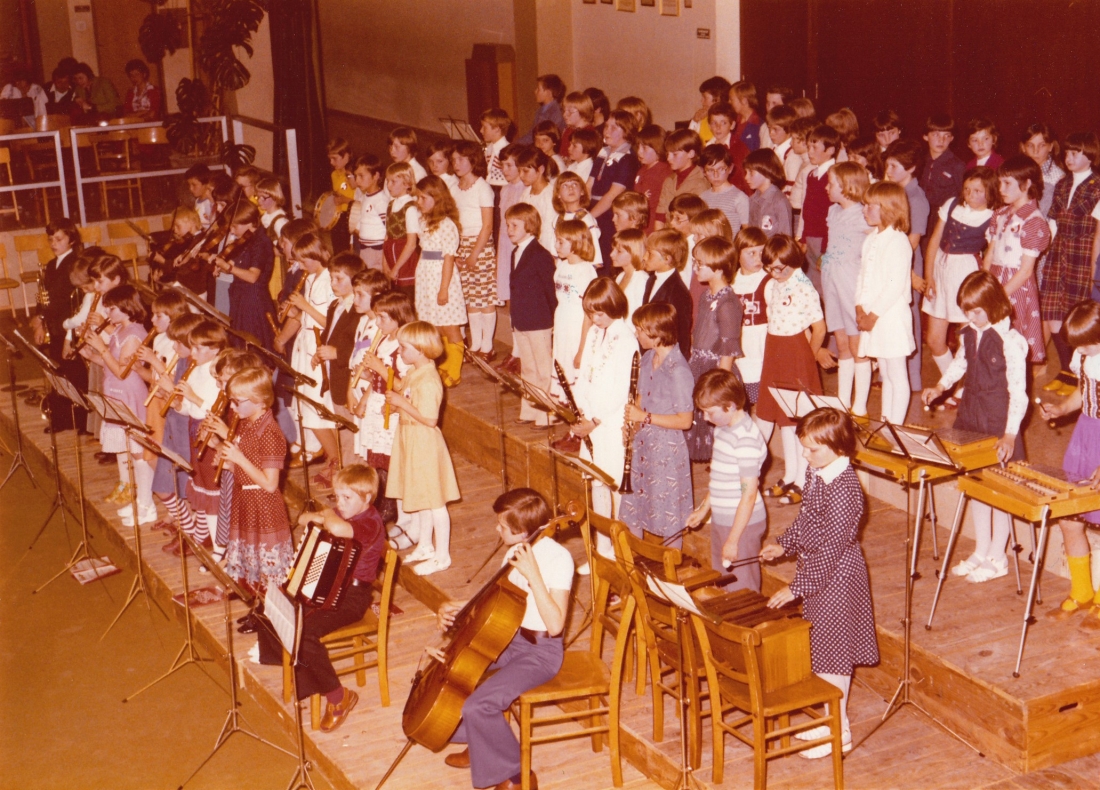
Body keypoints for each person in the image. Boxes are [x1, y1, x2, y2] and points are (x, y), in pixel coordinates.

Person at [762, 408, 879, 759]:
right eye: (803, 447)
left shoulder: (846, 490)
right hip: (819, 573)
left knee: (834, 656)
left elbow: (831, 547)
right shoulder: (819, 471)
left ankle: (838, 731)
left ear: (839, 446)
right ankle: (828, 717)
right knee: (822, 651)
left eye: (813, 449)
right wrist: (785, 543)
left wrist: (796, 587)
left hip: (838, 578)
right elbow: (808, 519)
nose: (805, 456)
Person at [439, 488, 574, 790]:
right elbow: (499, 602)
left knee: (479, 705)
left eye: (501, 525)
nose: (496, 529)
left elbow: (554, 625)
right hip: (509, 638)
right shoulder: (515, 550)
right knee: (452, 679)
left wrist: (535, 576)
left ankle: (517, 775)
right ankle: (482, 745)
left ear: (522, 531)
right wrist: (459, 608)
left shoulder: (558, 559)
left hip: (540, 652)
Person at [922, 272, 1028, 584]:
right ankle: (982, 549)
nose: (971, 318)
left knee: (1000, 488)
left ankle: (998, 556)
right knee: (976, 485)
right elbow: (960, 364)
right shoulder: (970, 333)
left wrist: (1010, 433)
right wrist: (940, 385)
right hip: (971, 416)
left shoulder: (1011, 342)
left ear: (994, 305)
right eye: (967, 312)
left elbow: (1018, 392)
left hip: (998, 422)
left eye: (976, 312)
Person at [264, 464, 386, 733]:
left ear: (366, 499)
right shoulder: (347, 514)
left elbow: (339, 529)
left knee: (303, 632)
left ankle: (339, 697)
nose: (340, 504)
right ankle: (299, 668)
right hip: (330, 587)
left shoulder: (370, 522)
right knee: (277, 603)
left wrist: (326, 514)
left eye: (347, 498)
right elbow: (305, 519)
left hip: (352, 598)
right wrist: (320, 515)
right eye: (337, 497)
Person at [756, 236, 833, 506]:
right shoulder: (772, 284)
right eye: (770, 268)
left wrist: (806, 361)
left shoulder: (804, 287)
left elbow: (820, 330)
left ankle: (802, 479)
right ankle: (789, 474)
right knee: (783, 418)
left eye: (781, 269)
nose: (775, 274)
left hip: (796, 353)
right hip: (774, 350)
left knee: (798, 420)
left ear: (793, 262)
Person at [566, 278, 639, 557]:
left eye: (599, 313)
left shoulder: (626, 339)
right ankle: (602, 548)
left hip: (610, 422)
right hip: (591, 418)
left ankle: (621, 549)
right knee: (596, 481)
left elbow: (621, 388)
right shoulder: (597, 333)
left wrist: (595, 420)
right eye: (590, 313)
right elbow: (584, 373)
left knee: (614, 484)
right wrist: (581, 408)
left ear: (614, 307)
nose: (594, 319)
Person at [1037, 301, 1100, 615]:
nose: (1082, 352)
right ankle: (1083, 590)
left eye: (1087, 346)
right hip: (1085, 436)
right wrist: (1061, 408)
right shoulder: (1085, 356)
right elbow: (1083, 393)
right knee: (1070, 517)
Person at [215, 366, 295, 615]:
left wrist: (238, 459)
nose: (232, 407)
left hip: (263, 504)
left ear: (260, 401)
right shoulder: (247, 423)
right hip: (246, 500)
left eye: (238, 402)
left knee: (267, 569)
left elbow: (270, 484)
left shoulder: (270, 433)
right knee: (253, 564)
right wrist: (228, 461)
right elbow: (247, 463)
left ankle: (274, 617)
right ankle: (258, 611)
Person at [385, 322, 460, 576]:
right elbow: (408, 399)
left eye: (404, 347)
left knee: (435, 502)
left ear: (419, 350)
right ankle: (426, 545)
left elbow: (430, 419)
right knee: (423, 499)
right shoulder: (415, 371)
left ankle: (443, 556)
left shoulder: (428, 379)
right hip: (410, 437)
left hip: (424, 441)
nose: (399, 351)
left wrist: (401, 404)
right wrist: (398, 401)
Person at [618, 303, 695, 548]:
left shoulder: (679, 371)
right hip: (644, 445)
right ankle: (634, 567)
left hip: (666, 452)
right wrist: (632, 427)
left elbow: (685, 420)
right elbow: (640, 397)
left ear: (657, 333)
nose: (637, 334)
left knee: (669, 517)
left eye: (640, 329)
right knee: (634, 508)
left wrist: (645, 417)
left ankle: (670, 579)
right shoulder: (648, 357)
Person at [81, 284, 156, 528]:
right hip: (114, 394)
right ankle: (139, 500)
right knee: (131, 452)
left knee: (138, 452)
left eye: (111, 309)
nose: (108, 313)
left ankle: (147, 505)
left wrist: (101, 349)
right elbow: (108, 362)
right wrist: (90, 354)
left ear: (126, 308)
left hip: (129, 395)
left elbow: (123, 371)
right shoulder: (120, 330)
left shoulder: (134, 333)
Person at [686, 369, 768, 592]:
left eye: (709, 412)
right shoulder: (723, 428)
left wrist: (733, 540)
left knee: (741, 589)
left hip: (742, 525)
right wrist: (704, 510)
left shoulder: (746, 440)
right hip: (724, 519)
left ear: (729, 406)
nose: (705, 418)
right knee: (722, 582)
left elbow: (748, 494)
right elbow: (720, 478)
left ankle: (749, 626)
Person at [922, 167, 998, 395]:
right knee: (935, 340)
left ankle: (967, 389)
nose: (970, 195)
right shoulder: (952, 204)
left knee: (969, 338)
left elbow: (991, 255)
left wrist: (980, 285)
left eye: (977, 191)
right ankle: (955, 383)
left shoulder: (992, 217)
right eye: (967, 189)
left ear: (989, 192)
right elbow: (935, 240)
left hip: (965, 272)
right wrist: (929, 276)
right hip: (941, 269)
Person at [349, 289, 415, 532]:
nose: (377, 322)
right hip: (377, 403)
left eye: (383, 318)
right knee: (377, 462)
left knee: (392, 464)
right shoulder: (383, 340)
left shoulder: (405, 345)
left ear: (399, 317)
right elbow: (379, 376)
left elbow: (404, 386)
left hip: (394, 408)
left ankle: (398, 515)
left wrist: (380, 368)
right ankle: (389, 512)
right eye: (377, 317)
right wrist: (366, 386)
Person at [1040, 132, 1100, 381]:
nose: (1069, 157)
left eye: (1075, 153)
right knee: (1053, 315)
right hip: (1059, 252)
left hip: (1083, 253)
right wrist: (1048, 247)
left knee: (1078, 314)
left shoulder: (1097, 185)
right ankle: (1068, 368)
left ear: (1090, 156)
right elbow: (1053, 220)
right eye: (1066, 153)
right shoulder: (1062, 184)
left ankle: (1080, 372)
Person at [856, 181, 916, 425]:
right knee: (885, 372)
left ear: (889, 208)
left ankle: (897, 426)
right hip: (872, 315)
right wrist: (859, 307)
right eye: (865, 205)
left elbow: (894, 285)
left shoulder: (898, 241)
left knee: (896, 373)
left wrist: (873, 315)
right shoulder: (871, 239)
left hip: (889, 316)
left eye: (871, 206)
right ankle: (886, 421)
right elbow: (862, 277)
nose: (865, 210)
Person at [984, 155, 1051, 365]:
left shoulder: (1033, 221)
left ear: (1027, 183)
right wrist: (984, 283)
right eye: (1000, 182)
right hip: (995, 279)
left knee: (1013, 345)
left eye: (1007, 183)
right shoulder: (1000, 214)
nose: (1001, 188)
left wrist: (1000, 297)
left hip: (1016, 288)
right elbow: (991, 251)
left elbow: (1025, 271)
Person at [821, 162, 873, 414]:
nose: (827, 187)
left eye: (831, 184)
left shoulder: (863, 214)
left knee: (857, 346)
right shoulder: (833, 211)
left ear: (847, 187)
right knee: (842, 344)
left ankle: (860, 406)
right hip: (831, 282)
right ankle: (842, 402)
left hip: (851, 283)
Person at [685, 236, 742, 462]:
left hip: (715, 372)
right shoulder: (706, 296)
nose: (695, 268)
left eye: (700, 264)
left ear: (718, 269)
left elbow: (727, 351)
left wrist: (720, 387)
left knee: (720, 436)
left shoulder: (728, 303)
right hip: (699, 367)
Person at [286, 232, 340, 470]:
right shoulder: (310, 278)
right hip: (304, 345)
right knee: (307, 408)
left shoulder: (330, 280)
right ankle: (332, 460)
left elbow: (330, 321)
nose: (300, 265)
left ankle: (337, 461)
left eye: (304, 260)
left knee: (317, 411)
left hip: (318, 349)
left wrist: (304, 306)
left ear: (317, 255)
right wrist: (296, 313)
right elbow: (309, 315)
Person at [312, 253, 367, 483]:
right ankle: (347, 483)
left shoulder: (359, 310)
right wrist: (320, 353)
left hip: (349, 382)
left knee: (352, 439)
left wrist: (337, 353)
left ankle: (355, 486)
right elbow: (329, 335)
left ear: (354, 282)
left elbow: (361, 347)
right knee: (343, 433)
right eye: (332, 279)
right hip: (335, 380)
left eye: (339, 279)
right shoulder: (336, 305)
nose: (333, 284)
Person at [30, 217, 88, 434]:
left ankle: (82, 422)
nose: (54, 243)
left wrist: (43, 318)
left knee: (75, 375)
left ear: (71, 240)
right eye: (51, 239)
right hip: (54, 326)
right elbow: (43, 296)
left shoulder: (75, 263)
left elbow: (62, 299)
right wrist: (39, 319)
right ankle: (62, 419)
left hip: (69, 326)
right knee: (57, 373)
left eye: (59, 239)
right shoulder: (51, 265)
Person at [883, 138, 932, 390]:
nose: (888, 171)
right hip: (890, 260)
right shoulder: (894, 192)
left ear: (911, 168)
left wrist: (907, 271)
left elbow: (912, 241)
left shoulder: (917, 198)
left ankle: (911, 380)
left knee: (908, 318)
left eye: (893, 166)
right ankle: (888, 374)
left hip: (907, 263)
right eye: (887, 165)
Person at [505, 203, 557, 427]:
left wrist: (552, 320)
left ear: (530, 226)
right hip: (522, 320)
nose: (509, 229)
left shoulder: (540, 254)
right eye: (507, 225)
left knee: (544, 369)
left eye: (514, 225)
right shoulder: (516, 252)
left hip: (539, 321)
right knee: (528, 368)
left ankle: (547, 413)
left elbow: (550, 290)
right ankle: (530, 410)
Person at [413, 175, 467, 386]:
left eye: (423, 198)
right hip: (426, 276)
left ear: (437, 198)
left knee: (450, 326)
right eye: (417, 198)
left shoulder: (447, 225)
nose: (419, 202)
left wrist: (443, 288)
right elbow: (424, 252)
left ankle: (454, 370)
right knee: (434, 325)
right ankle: (442, 365)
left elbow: (448, 259)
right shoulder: (423, 221)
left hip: (442, 279)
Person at [449, 140, 499, 361]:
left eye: (461, 159)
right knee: (470, 298)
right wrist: (457, 251)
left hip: (480, 246)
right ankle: (476, 344)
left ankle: (487, 346)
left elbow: (487, 225)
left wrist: (475, 254)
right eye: (453, 160)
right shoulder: (453, 188)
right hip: (462, 246)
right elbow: (453, 221)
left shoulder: (482, 187)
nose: (456, 163)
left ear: (473, 160)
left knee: (485, 297)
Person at [212, 201, 277, 351]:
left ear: (248, 222)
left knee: (252, 348)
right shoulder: (247, 241)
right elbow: (238, 268)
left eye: (235, 226)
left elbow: (252, 277)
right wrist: (223, 268)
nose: (232, 231)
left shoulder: (261, 242)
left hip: (253, 302)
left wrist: (228, 267)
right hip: (240, 298)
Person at [551, 218, 599, 391]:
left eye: (561, 241)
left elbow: (589, 313)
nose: (556, 245)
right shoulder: (561, 266)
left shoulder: (586, 271)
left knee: (574, 368)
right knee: (561, 363)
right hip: (562, 323)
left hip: (577, 326)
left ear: (576, 242)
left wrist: (582, 348)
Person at [589, 110, 639, 266]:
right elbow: (589, 185)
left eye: (614, 128)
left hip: (608, 215)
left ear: (626, 131)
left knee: (604, 258)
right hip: (593, 209)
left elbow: (612, 195)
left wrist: (589, 218)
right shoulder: (603, 152)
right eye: (606, 126)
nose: (607, 131)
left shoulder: (628, 158)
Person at [730, 227, 769, 409]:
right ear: (738, 254)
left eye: (762, 252)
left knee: (761, 399)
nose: (758, 258)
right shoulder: (731, 282)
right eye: (751, 253)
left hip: (760, 344)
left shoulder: (768, 281)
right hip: (739, 345)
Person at [799, 125, 840, 295]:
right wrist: (803, 238)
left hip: (824, 240)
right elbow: (807, 209)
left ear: (830, 150)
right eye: (808, 147)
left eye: (814, 147)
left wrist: (825, 249)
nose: (809, 152)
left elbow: (832, 217)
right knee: (810, 285)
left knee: (824, 288)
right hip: (810, 239)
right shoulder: (811, 175)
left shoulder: (834, 176)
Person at [382, 162, 421, 301]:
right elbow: (387, 237)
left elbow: (411, 244)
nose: (388, 185)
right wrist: (385, 263)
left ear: (406, 183)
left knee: (406, 298)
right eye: (387, 181)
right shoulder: (391, 204)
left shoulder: (410, 208)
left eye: (393, 181)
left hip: (406, 263)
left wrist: (396, 269)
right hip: (392, 261)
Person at [656, 129, 708, 227]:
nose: (668, 158)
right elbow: (660, 217)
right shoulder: (669, 181)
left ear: (691, 154)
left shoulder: (700, 183)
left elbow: (698, 222)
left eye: (674, 154)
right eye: (668, 154)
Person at [919, 114, 967, 215]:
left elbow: (963, 197)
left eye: (947, 135)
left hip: (944, 218)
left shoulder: (957, 166)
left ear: (952, 138)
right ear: (925, 136)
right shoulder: (920, 162)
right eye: (936, 135)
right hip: (922, 214)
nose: (941, 140)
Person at [700, 144, 750, 235]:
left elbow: (748, 231)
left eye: (721, 169)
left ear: (730, 168)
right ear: (703, 171)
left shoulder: (739, 197)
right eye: (710, 170)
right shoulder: (703, 197)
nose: (716, 175)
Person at [350, 154, 388, 270]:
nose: (357, 181)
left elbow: (388, 227)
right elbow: (360, 221)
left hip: (378, 249)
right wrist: (352, 242)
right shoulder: (364, 197)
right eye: (356, 176)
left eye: (361, 176)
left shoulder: (381, 200)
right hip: (365, 247)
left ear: (376, 176)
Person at [744, 148, 794, 237]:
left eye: (751, 173)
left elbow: (786, 237)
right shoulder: (752, 200)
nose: (746, 177)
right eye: (746, 172)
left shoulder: (779, 201)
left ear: (766, 171)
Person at [1021, 122, 1064, 219]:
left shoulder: (1057, 177)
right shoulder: (1018, 171)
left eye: (1042, 145)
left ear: (1050, 147)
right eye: (1030, 145)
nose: (1036, 151)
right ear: (1023, 147)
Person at [634, 125, 671, 232]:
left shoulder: (664, 172)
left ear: (658, 149)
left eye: (644, 148)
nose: (639, 152)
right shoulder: (642, 170)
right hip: (640, 225)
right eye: (638, 146)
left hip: (653, 227)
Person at [516, 73, 566, 145]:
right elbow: (531, 134)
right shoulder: (540, 110)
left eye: (538, 89)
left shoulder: (556, 112)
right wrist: (515, 144)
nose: (535, 91)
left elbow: (550, 137)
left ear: (548, 93)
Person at [326, 138, 355, 253]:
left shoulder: (353, 174)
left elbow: (358, 197)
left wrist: (344, 199)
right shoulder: (334, 174)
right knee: (337, 246)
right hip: (338, 215)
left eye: (335, 159)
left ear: (346, 156)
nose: (331, 163)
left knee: (347, 249)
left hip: (350, 215)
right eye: (330, 159)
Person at [689, 76, 730, 144]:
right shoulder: (703, 119)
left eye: (705, 97)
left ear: (717, 99)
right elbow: (688, 142)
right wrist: (694, 121)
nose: (701, 101)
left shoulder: (728, 122)